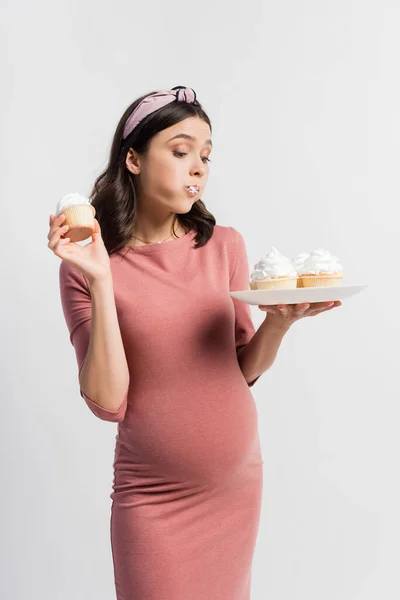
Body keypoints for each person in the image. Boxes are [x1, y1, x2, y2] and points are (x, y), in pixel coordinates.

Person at [47, 85, 340, 599]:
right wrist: (100, 278)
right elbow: (108, 403)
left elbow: (241, 370)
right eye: (181, 151)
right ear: (133, 158)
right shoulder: (87, 265)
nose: (198, 167)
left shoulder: (224, 244)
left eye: (205, 155)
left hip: (236, 487)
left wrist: (280, 322)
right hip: (153, 499)